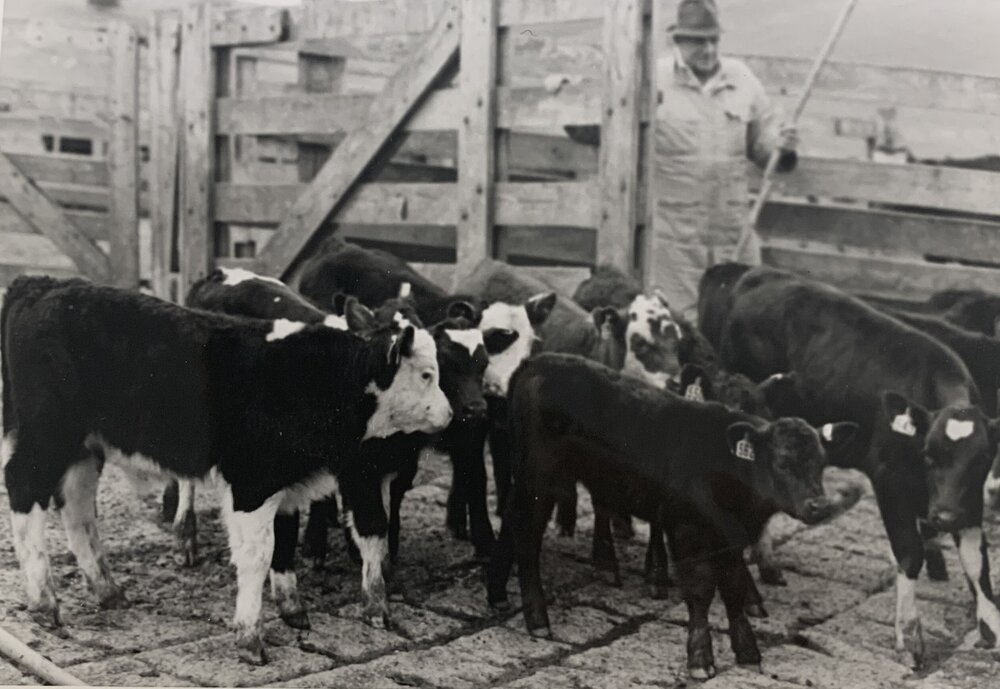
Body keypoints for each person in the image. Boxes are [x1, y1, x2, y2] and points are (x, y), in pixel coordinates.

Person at [651, 0, 798, 312]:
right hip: (674, 239)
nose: (708, 50)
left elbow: (762, 143)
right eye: (698, 42)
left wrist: (781, 147)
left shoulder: (741, 79)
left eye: (713, 40)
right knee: (679, 321)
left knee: (739, 317)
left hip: (731, 232)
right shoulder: (654, 80)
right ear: (677, 41)